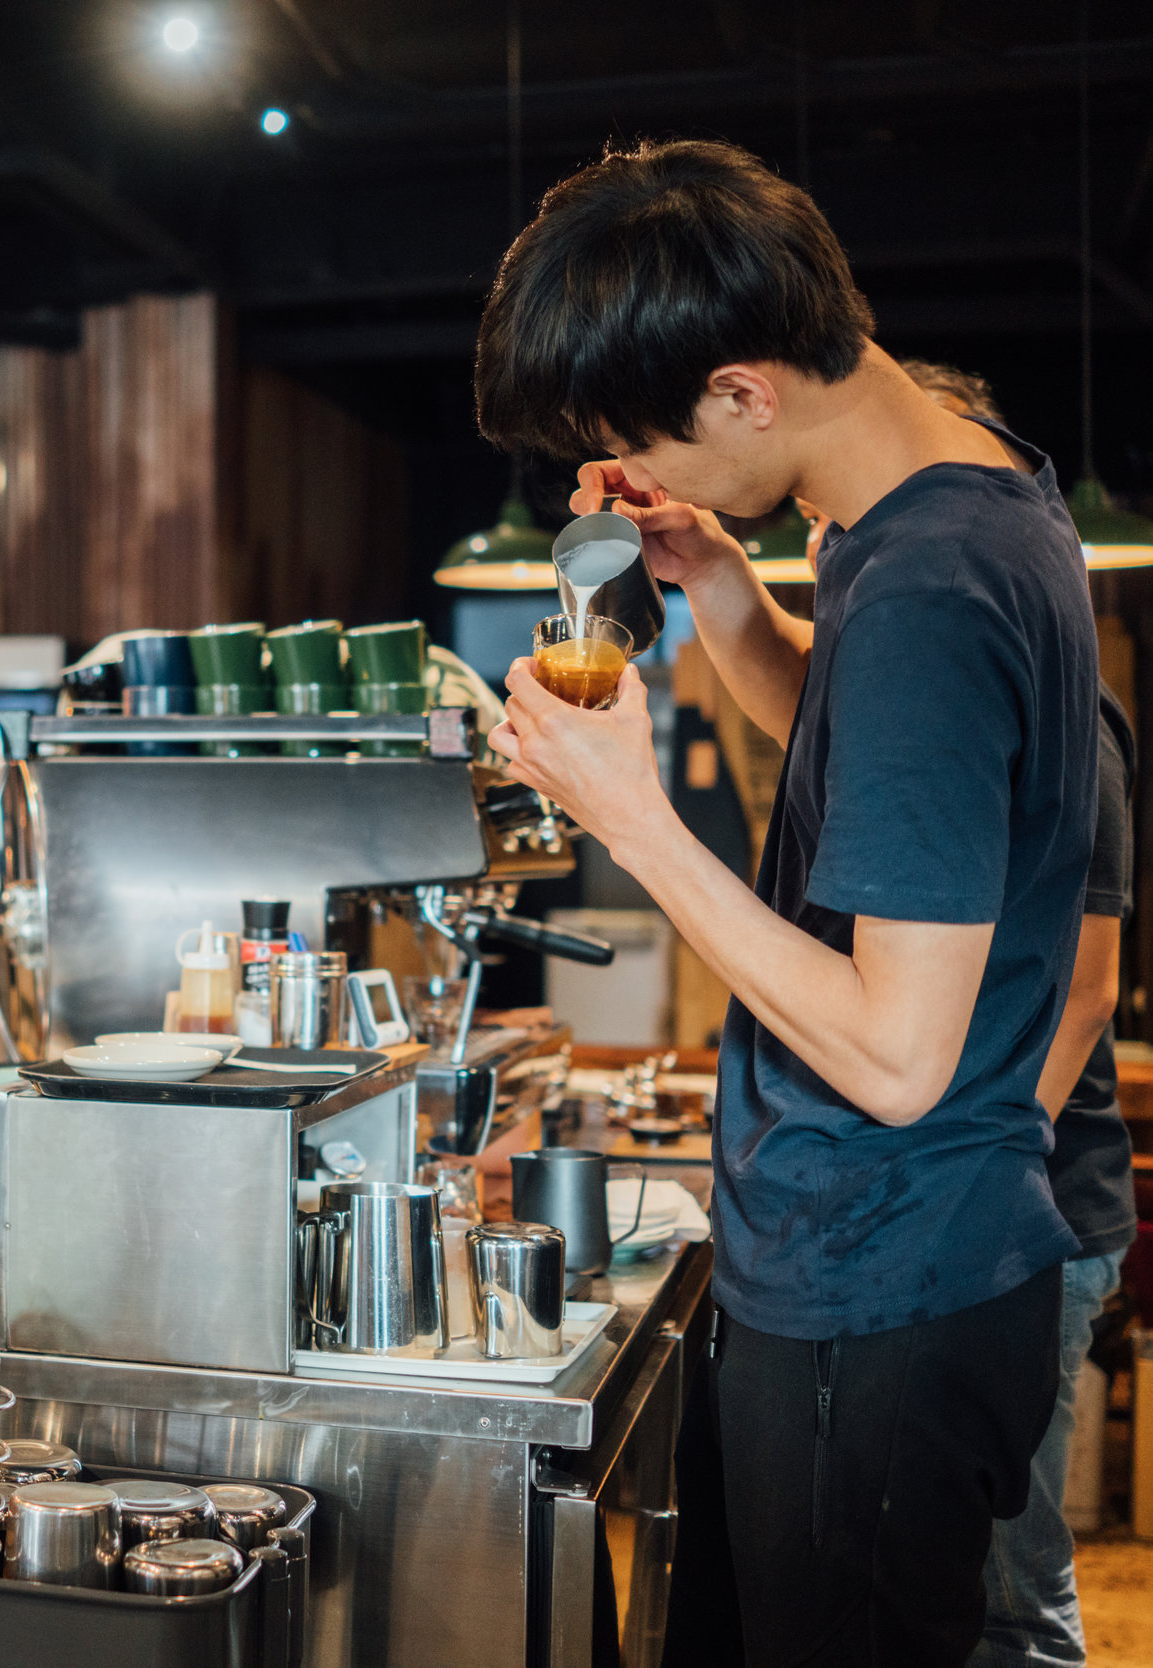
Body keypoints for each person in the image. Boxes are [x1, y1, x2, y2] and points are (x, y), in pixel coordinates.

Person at [476, 141, 1096, 1663]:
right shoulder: (967, 497)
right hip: (883, 1267)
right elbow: (885, 751)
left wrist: (631, 810)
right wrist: (721, 589)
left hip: (886, 1280)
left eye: (651, 446)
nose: (643, 485)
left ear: (745, 391)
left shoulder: (933, 588)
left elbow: (899, 1055)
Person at [890, 362, 1132, 1668]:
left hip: (1033, 1212)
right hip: (970, 1201)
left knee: (1014, 1590)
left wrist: (972, 1174)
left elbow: (1089, 991)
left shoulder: (1070, 721)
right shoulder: (925, 677)